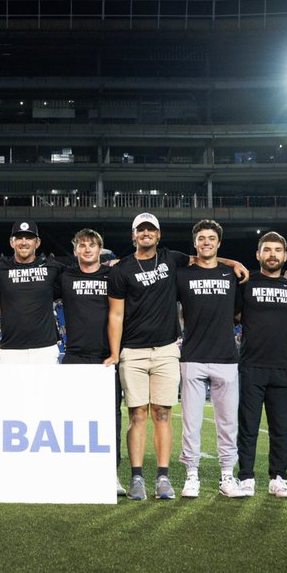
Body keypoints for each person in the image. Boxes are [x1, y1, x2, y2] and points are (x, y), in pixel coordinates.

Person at [106, 213, 247, 501]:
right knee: (136, 414)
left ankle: (163, 478)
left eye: (151, 230)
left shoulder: (172, 259)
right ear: (134, 235)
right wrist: (114, 352)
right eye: (140, 230)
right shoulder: (122, 269)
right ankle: (136, 478)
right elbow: (116, 314)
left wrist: (233, 262)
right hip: (132, 350)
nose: (146, 233)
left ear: (158, 235)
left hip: (167, 350)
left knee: (162, 414)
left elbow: (204, 258)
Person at [175, 219, 241, 498]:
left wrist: (233, 263)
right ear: (195, 242)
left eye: (211, 238)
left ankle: (227, 476)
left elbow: (239, 312)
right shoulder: (182, 275)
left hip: (226, 356)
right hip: (193, 356)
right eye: (201, 238)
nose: (206, 242)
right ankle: (192, 475)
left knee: (228, 423)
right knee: (191, 422)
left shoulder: (232, 274)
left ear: (218, 242)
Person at [59, 228, 126, 496]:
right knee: (70, 417)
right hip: (74, 355)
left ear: (100, 250)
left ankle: (111, 473)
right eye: (82, 245)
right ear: (75, 250)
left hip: (105, 357)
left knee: (111, 417)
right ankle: (72, 471)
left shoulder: (113, 275)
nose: (87, 249)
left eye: (92, 245)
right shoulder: (64, 275)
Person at [234, 232, 287, 498]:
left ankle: (278, 478)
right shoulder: (246, 283)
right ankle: (246, 477)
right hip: (252, 365)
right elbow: (235, 315)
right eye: (267, 249)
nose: (273, 254)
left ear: (285, 255)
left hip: (284, 367)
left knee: (281, 429)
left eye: (278, 250)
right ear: (258, 254)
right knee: (248, 428)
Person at [0, 220, 63, 364]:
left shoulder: (52, 267)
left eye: (29, 238)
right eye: (19, 238)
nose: (24, 242)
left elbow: (78, 277)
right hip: (10, 349)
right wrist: (12, 312)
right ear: (12, 242)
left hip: (45, 349)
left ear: (37, 242)